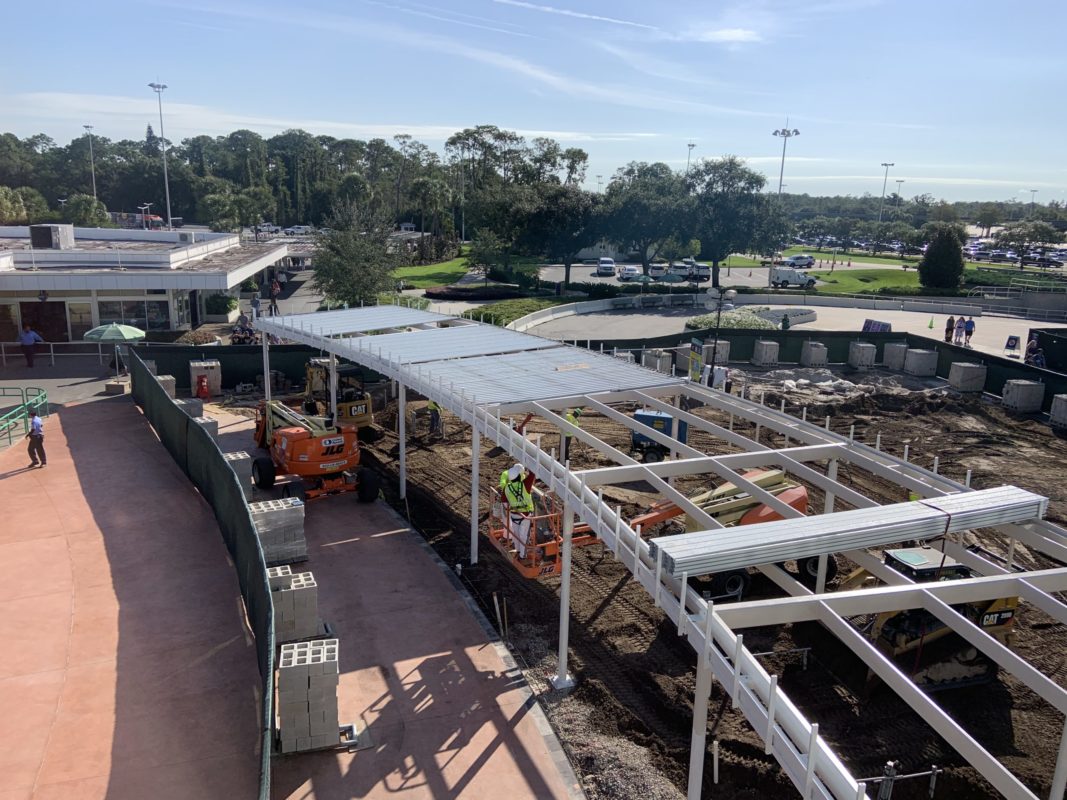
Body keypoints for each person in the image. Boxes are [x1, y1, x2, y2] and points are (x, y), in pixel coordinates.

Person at [499, 463, 535, 558]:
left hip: (514, 515)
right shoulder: (525, 485)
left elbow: (504, 501)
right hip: (526, 515)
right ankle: (523, 556)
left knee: (516, 534)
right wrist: (528, 465)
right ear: (519, 476)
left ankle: (518, 551)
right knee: (524, 536)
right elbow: (532, 474)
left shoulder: (506, 488)